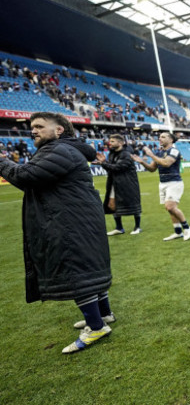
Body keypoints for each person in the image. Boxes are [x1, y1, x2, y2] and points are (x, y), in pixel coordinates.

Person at [0, 112, 114, 354]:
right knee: (88, 266)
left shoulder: (59, 150)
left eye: (40, 126)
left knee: (75, 271)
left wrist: (1, 161)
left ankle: (96, 326)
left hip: (69, 222)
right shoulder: (65, 149)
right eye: (32, 127)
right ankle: (104, 314)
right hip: (79, 219)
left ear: (59, 130)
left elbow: (26, 177)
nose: (34, 131)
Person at [132, 132, 190, 241]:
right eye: (159, 137)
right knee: (170, 209)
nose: (160, 139)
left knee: (170, 207)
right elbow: (152, 169)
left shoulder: (174, 151)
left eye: (163, 137)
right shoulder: (159, 152)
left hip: (174, 182)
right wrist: (141, 162)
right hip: (162, 183)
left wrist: (150, 155)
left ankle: (187, 228)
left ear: (171, 140)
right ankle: (178, 232)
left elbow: (166, 163)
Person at [96, 134, 143, 235]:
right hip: (114, 183)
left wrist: (103, 163)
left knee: (133, 204)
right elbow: (111, 168)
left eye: (112, 141)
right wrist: (103, 162)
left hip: (128, 183)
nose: (110, 143)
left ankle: (137, 227)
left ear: (120, 143)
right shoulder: (112, 154)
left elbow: (118, 168)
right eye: (110, 141)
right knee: (112, 205)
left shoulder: (126, 154)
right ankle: (119, 228)